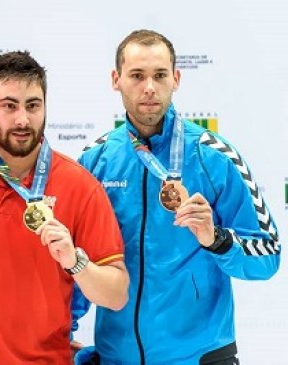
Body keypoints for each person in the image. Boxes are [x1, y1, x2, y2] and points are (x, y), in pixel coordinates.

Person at [76, 29, 281, 364]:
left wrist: (216, 239)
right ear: (116, 79)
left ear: (176, 78)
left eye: (159, 75)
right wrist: (61, 332)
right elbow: (76, 261)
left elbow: (268, 256)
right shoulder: (94, 162)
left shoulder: (214, 156)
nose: (149, 88)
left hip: (200, 356)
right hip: (117, 357)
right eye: (137, 76)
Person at [0, 51, 129, 364]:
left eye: (33, 105)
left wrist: (75, 261)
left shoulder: (80, 186)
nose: (22, 119)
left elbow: (116, 295)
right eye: (9, 106)